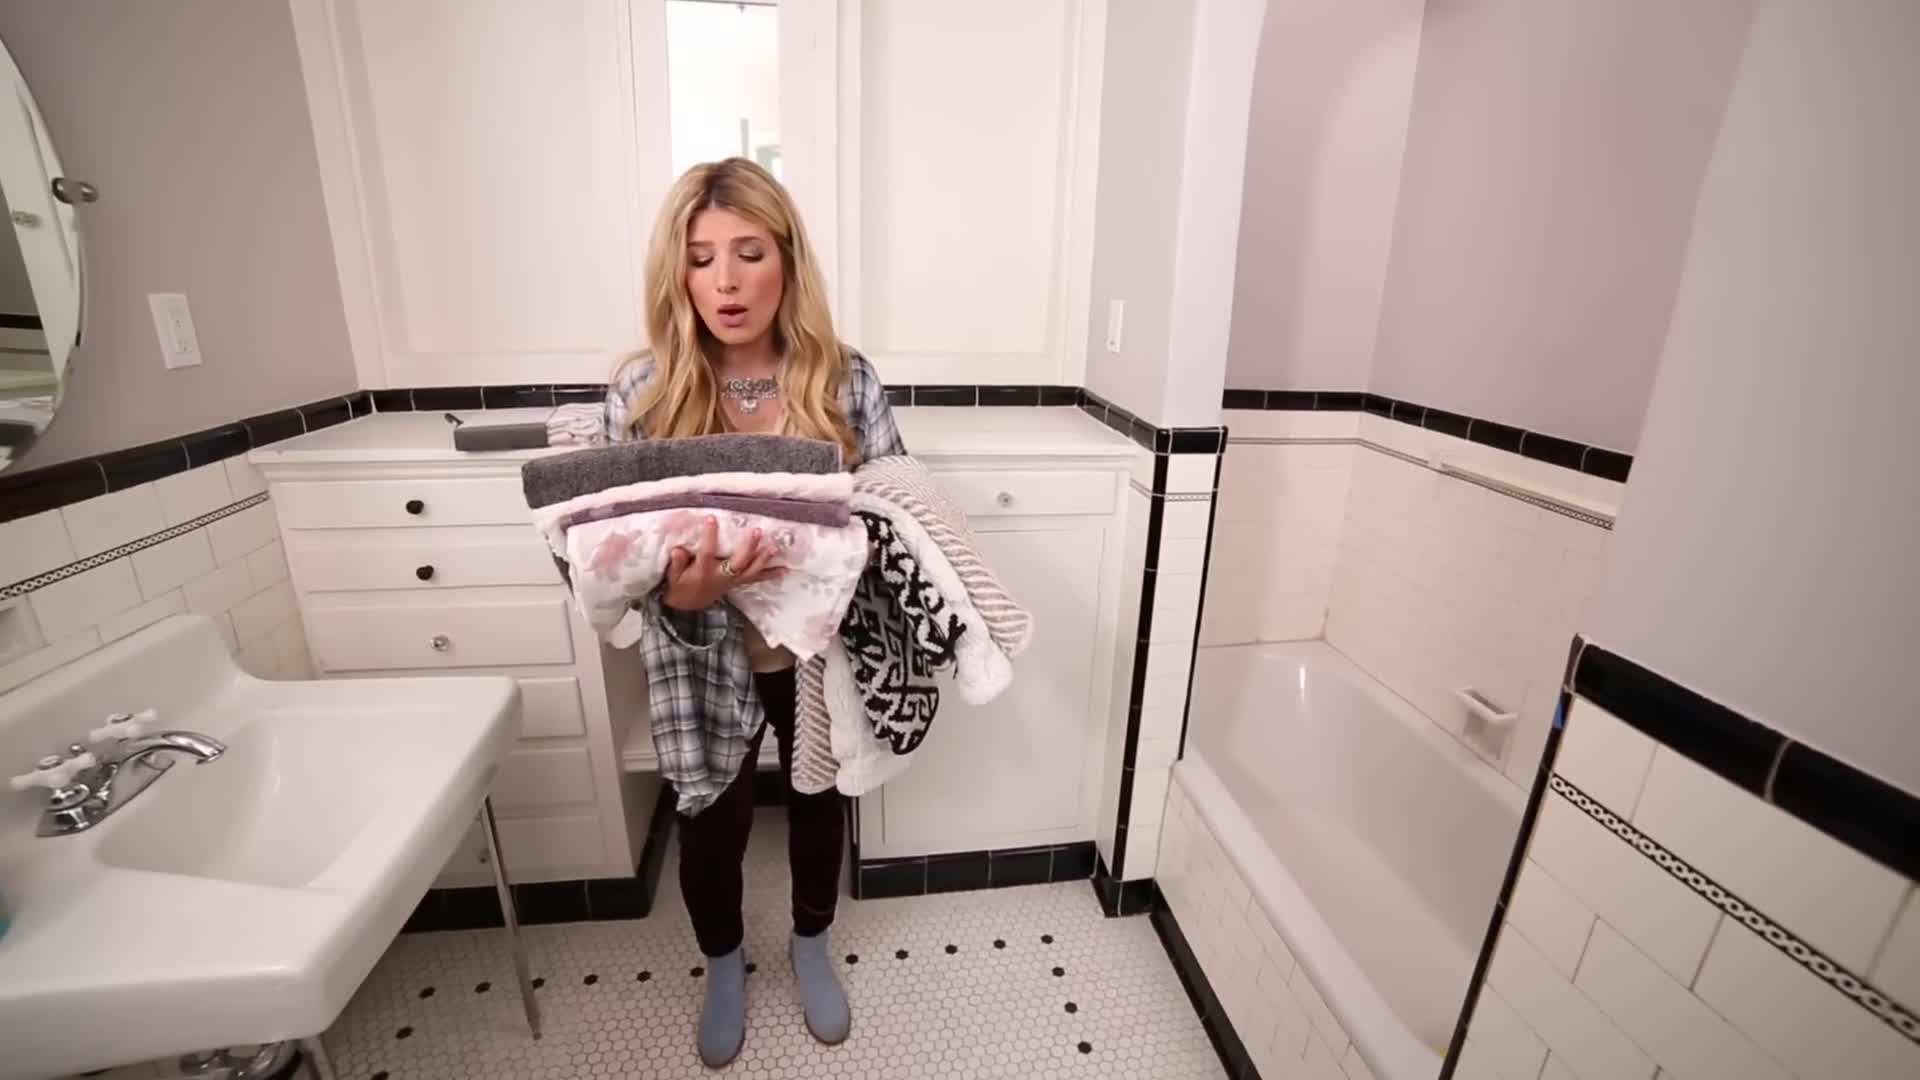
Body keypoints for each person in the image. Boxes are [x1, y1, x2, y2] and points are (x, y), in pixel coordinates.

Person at [602, 157, 903, 1068]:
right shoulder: (643, 393)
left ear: (788, 261)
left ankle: (811, 942)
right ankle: (724, 961)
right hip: (699, 650)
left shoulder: (844, 380)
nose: (726, 282)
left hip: (814, 651)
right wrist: (681, 596)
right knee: (711, 818)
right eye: (700, 259)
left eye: (748, 252)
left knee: (817, 796)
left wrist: (835, 561)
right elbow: (606, 556)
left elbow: (896, 511)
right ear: (676, 273)